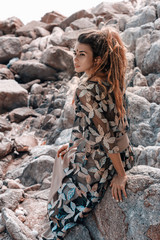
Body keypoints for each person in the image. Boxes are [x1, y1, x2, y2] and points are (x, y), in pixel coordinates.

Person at [42, 27, 134, 240]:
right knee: (63, 153)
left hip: (100, 167)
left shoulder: (84, 90)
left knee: (58, 214)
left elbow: (106, 136)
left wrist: (121, 175)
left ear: (98, 60)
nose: (75, 58)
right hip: (125, 154)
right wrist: (76, 144)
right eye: (75, 53)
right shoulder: (114, 79)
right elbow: (111, 126)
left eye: (82, 54)